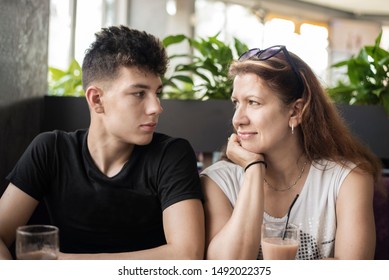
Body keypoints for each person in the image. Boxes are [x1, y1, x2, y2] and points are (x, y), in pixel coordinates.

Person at [0, 25, 204, 260]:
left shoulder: (171, 155)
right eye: (139, 93)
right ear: (97, 99)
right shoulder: (51, 149)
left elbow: (187, 255)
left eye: (157, 93)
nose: (156, 107)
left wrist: (63, 264)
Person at [200, 45, 381, 260]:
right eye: (236, 103)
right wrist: (253, 169)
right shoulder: (217, 181)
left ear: (295, 111)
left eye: (253, 103)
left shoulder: (348, 180)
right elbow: (227, 271)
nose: (238, 119)